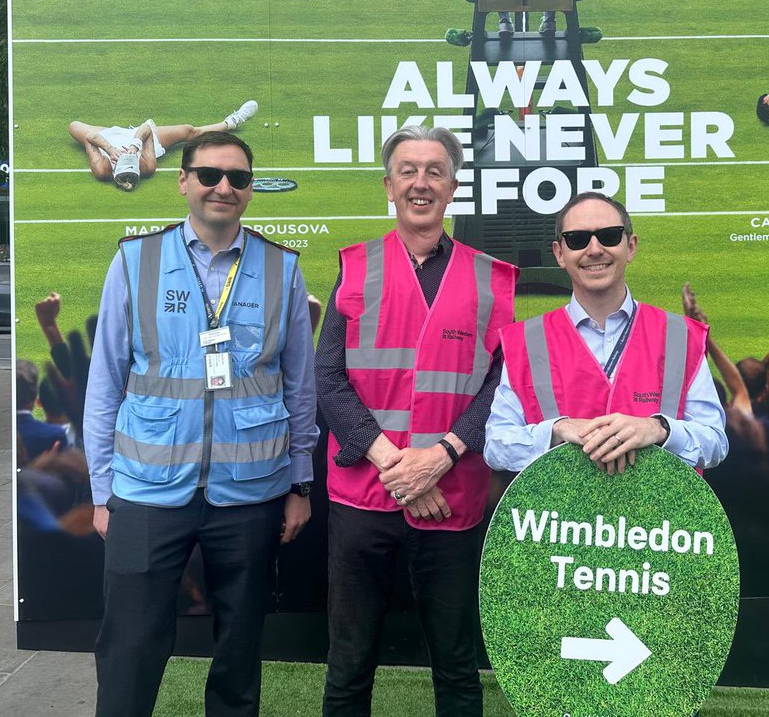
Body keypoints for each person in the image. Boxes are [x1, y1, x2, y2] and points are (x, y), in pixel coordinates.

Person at [83, 130, 317, 717]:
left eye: (238, 178)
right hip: (145, 490)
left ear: (251, 190)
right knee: (130, 650)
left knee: (240, 652)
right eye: (210, 175)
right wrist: (102, 490)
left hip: (252, 493)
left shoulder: (282, 269)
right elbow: (106, 382)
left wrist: (299, 484)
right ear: (183, 181)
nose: (223, 188)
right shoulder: (136, 260)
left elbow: (300, 386)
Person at [316, 125, 518, 717]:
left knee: (456, 666)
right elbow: (328, 377)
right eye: (408, 170)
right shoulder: (355, 268)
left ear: (453, 187)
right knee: (349, 664)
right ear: (388, 185)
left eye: (434, 170)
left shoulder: (493, 279)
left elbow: (502, 386)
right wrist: (394, 463)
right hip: (362, 498)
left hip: (450, 495)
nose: (420, 182)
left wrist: (440, 458)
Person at [485, 191, 727, 475]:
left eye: (609, 236)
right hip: (561, 517)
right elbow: (496, 446)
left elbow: (715, 443)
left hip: (659, 518)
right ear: (560, 254)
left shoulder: (680, 335)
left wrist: (659, 429)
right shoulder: (525, 340)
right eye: (578, 239)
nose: (595, 249)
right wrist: (556, 431)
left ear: (631, 246)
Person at [69, 100, 256, 191]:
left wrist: (110, 149)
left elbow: (90, 137)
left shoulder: (102, 170)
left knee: (73, 126)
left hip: (107, 138)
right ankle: (231, 122)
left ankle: (231, 121)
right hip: (141, 140)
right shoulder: (147, 166)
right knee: (189, 131)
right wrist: (135, 145)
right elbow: (147, 129)